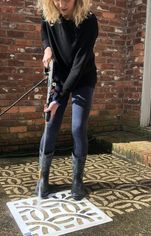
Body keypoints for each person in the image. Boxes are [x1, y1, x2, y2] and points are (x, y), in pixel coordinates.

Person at [36, 0, 98, 200]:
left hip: (83, 78)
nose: (62, 4)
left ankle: (77, 181)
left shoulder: (89, 21)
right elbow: (45, 31)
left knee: (78, 127)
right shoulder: (49, 15)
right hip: (59, 76)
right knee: (50, 125)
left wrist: (59, 97)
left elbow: (80, 64)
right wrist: (47, 48)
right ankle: (42, 179)